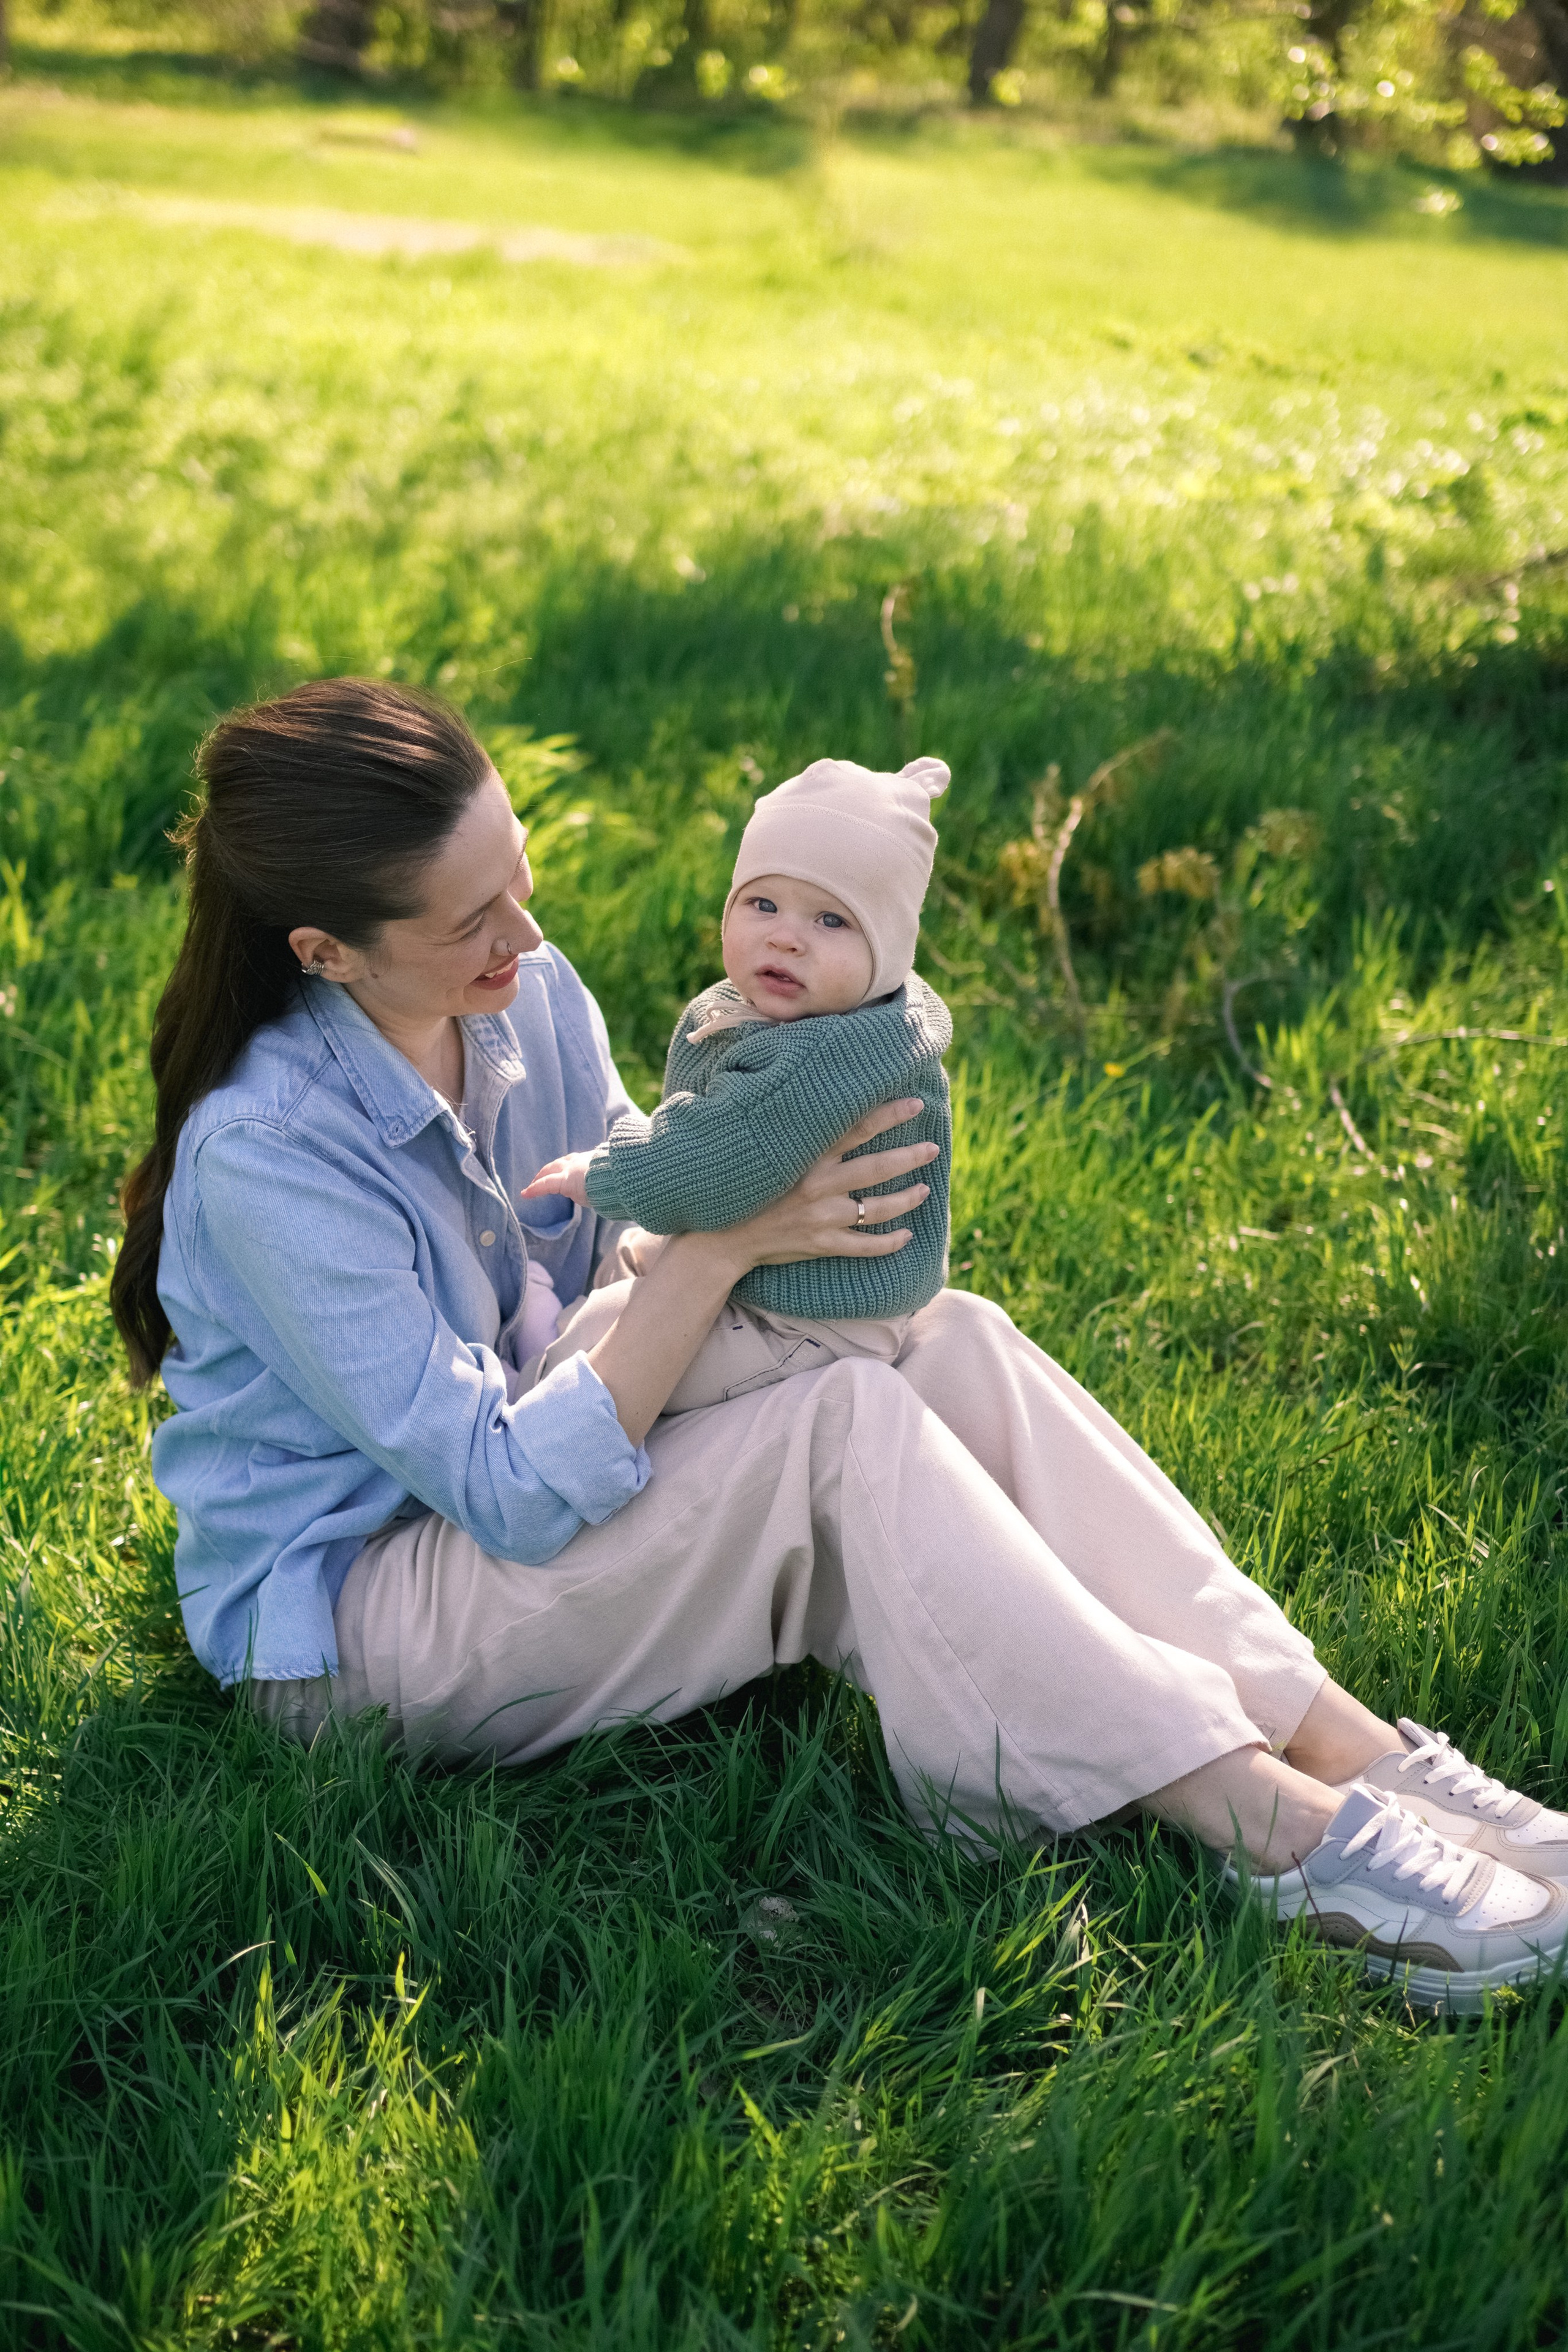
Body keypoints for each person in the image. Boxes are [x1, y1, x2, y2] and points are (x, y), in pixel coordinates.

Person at [113, 677, 1568, 2015]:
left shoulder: (515, 994)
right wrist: (734, 1241)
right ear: (325, 951)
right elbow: (495, 1484)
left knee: (945, 1340)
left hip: (536, 1432)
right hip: (365, 1626)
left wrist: (744, 1205)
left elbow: (624, 1201)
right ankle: (1277, 1829)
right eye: (471, 920)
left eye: (520, 874)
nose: (529, 936)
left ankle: (1357, 1749)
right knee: (842, 1430)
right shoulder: (267, 1152)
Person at [520, 752, 954, 1413]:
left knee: (611, 1374)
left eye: (831, 920)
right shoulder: (839, 1012)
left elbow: (710, 1158)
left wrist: (601, 1174)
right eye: (763, 903)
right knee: (637, 1278)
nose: (786, 938)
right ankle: (572, 1318)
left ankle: (536, 1367)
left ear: (890, 949)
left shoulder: (822, 1055)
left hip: (804, 1325)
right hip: (796, 1288)